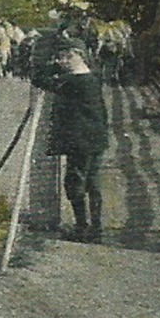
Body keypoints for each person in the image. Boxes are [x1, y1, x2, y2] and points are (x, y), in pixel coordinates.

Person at [48, 46, 109, 241]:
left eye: (69, 56)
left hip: (80, 141)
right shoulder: (93, 78)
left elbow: (43, 80)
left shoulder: (73, 81)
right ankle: (96, 227)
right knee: (93, 181)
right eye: (61, 56)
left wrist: (51, 69)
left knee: (75, 182)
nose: (63, 60)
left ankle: (82, 226)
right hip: (96, 138)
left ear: (81, 57)